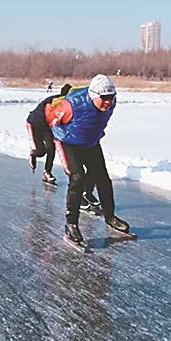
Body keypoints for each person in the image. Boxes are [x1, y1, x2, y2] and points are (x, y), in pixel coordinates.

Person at [46, 74, 131, 247]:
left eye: (111, 97)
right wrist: (57, 138)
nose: (108, 102)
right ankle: (71, 224)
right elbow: (51, 120)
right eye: (104, 98)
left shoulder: (111, 104)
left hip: (90, 143)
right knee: (77, 179)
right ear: (93, 96)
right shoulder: (71, 105)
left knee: (103, 179)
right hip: (68, 143)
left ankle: (110, 217)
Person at [26, 83, 72, 185]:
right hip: (35, 124)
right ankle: (33, 154)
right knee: (41, 151)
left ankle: (47, 173)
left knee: (51, 149)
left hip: (47, 127)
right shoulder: (55, 102)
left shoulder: (66, 104)